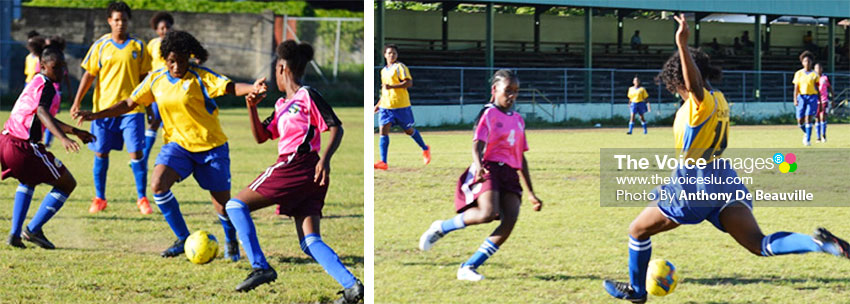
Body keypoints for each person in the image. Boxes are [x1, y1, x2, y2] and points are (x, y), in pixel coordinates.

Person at [602, 14, 850, 303]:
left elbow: (693, 87)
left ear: (676, 79)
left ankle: (637, 291)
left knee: (638, 231)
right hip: (723, 178)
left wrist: (681, 45)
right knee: (759, 244)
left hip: (694, 182)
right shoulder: (719, 99)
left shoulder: (700, 102)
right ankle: (817, 244)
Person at [74, 30, 262, 260]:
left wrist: (252, 88)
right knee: (158, 185)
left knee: (222, 205)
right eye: (172, 61)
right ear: (165, 59)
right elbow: (129, 102)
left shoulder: (200, 77)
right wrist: (96, 115)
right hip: (177, 147)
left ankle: (230, 238)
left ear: (189, 59)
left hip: (211, 147)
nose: (176, 66)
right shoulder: (156, 79)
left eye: (181, 61)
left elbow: (230, 87)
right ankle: (183, 237)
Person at [225, 40, 364, 302]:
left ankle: (260, 267)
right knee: (309, 241)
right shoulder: (281, 105)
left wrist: (326, 159)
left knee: (235, 206)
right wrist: (251, 106)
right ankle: (352, 287)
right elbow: (261, 136)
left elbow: (336, 126)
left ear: (282, 68)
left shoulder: (307, 95)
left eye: (276, 68)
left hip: (298, 165)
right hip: (307, 175)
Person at [417, 69, 543, 282]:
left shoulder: (519, 120)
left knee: (510, 219)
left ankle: (468, 267)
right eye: (507, 90)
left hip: (510, 173)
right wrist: (479, 166)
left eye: (516, 91)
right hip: (489, 167)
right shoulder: (489, 113)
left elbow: (521, 157)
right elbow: (477, 145)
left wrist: (531, 193)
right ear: (495, 90)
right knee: (487, 213)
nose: (512, 95)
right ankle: (442, 227)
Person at [4, 44, 96, 249]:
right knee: (67, 183)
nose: (61, 72)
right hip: (23, 146)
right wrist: (63, 138)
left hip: (7, 141)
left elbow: (44, 117)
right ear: (43, 66)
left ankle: (14, 234)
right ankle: (33, 229)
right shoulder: (46, 85)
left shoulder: (35, 83)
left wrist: (76, 132)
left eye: (63, 67)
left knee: (28, 181)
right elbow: (42, 113)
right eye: (56, 67)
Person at [70, 1, 152, 215]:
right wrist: (77, 101)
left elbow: (145, 80)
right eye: (116, 20)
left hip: (132, 111)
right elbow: (88, 75)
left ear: (128, 21)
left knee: (136, 153)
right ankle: (99, 198)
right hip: (103, 111)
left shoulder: (139, 46)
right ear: (109, 21)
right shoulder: (100, 46)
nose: (120, 24)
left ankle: (142, 198)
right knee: (100, 153)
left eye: (124, 20)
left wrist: (150, 107)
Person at [374, 44, 430, 170]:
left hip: (401, 105)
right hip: (386, 106)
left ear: (397, 55)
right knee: (383, 130)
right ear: (385, 55)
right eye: (389, 53)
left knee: (408, 130)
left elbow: (409, 82)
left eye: (394, 53)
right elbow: (384, 90)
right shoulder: (383, 71)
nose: (391, 55)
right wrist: (378, 105)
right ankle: (383, 162)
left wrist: (393, 87)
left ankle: (425, 148)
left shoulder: (400, 67)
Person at [141, 12, 174, 168]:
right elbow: (146, 63)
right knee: (154, 122)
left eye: (167, 27)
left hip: (172, 89)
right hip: (156, 88)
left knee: (162, 124)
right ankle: (144, 157)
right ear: (156, 30)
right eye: (162, 28)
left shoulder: (176, 43)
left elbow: (192, 57)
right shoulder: (152, 44)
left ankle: (152, 159)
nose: (165, 30)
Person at [793, 50, 819, 146]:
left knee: (808, 117)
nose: (807, 63)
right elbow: (796, 87)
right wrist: (795, 99)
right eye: (805, 61)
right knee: (800, 121)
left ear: (811, 62)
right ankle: (806, 132)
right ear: (802, 62)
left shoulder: (815, 74)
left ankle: (808, 139)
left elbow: (818, 88)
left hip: (812, 97)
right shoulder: (798, 73)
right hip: (801, 97)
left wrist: (820, 100)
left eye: (809, 61)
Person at [814, 63, 832, 143]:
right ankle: (818, 137)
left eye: (819, 68)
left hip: (824, 100)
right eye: (816, 68)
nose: (818, 69)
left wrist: (833, 98)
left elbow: (830, 88)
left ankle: (824, 135)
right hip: (815, 101)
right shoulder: (813, 78)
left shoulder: (825, 78)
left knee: (823, 117)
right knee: (817, 118)